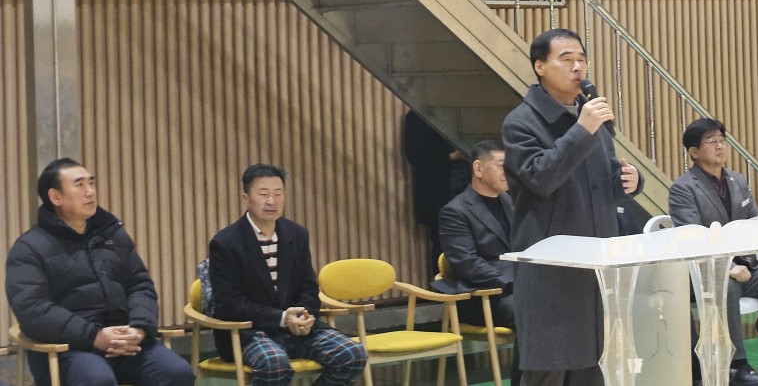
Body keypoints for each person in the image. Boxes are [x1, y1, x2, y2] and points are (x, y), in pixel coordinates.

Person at [502, 27, 642, 386]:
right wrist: (582, 130)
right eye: (567, 59)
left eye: (582, 59)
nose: (578, 67)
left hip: (597, 263)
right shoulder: (521, 122)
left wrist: (630, 180)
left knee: (594, 366)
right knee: (549, 366)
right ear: (540, 67)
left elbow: (604, 181)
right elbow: (541, 178)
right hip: (552, 268)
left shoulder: (590, 119)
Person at [5, 158, 195, 386]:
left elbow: (140, 284)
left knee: (178, 373)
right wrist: (93, 336)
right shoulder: (29, 248)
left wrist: (139, 328)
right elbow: (33, 309)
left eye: (92, 183)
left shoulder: (112, 235)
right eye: (79, 185)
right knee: (98, 380)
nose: (90, 192)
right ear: (55, 197)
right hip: (68, 349)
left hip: (125, 342)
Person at [669, 118, 758, 386]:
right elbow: (692, 236)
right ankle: (735, 364)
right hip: (705, 273)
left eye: (722, 140)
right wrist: (728, 266)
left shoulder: (738, 180)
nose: (720, 146)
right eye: (712, 141)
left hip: (746, 269)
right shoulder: (683, 188)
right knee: (728, 285)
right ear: (694, 152)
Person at [208, 163, 367, 385]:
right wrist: (282, 318)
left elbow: (308, 287)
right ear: (246, 199)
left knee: (353, 354)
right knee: (274, 363)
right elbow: (229, 304)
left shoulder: (297, 234)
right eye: (263, 194)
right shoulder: (225, 243)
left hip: (296, 329)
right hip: (250, 332)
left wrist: (305, 316)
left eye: (278, 193)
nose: (271, 201)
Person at [437, 139, 520, 386]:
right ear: (478, 168)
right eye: (501, 166)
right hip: (483, 296)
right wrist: (514, 282)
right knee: (532, 311)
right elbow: (467, 263)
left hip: (518, 289)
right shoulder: (455, 211)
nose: (508, 172)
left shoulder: (513, 203)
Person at [402, 110, 470, 282]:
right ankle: (444, 288)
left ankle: (475, 288)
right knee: (442, 243)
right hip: (439, 190)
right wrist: (452, 156)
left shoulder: (464, 110)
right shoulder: (417, 115)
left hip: (469, 184)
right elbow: (415, 156)